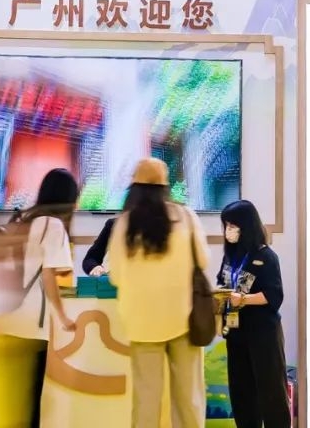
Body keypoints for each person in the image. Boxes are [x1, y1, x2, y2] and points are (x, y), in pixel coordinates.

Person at [107, 158, 209, 428]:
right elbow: (203, 260)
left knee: (146, 399)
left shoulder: (124, 225)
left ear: (135, 188)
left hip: (141, 323)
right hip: (183, 318)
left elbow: (115, 275)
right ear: (165, 186)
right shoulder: (185, 217)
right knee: (189, 398)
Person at [0, 168, 80, 428]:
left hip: (7, 320)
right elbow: (49, 275)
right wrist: (63, 316)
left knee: (11, 404)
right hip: (32, 324)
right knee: (31, 403)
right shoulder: (53, 226)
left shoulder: (22, 220)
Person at [217, 199, 290, 428]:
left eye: (233, 225)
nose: (228, 230)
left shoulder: (266, 257)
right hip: (236, 333)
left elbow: (274, 295)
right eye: (226, 225)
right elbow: (222, 282)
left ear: (246, 226)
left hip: (263, 334)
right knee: (241, 392)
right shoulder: (231, 256)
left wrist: (244, 299)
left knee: (271, 391)